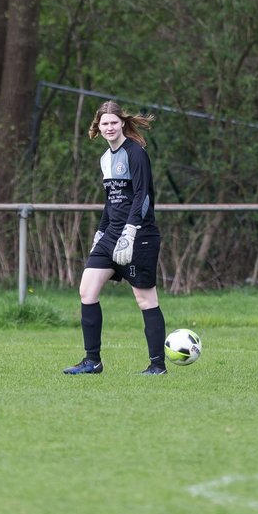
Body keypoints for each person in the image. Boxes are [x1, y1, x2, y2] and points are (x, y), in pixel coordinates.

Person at [64, 100, 168, 376]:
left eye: (113, 122)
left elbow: (142, 196)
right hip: (111, 235)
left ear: (122, 122)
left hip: (139, 234)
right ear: (97, 127)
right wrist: (102, 230)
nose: (109, 127)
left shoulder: (136, 153)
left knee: (145, 300)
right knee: (87, 291)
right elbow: (111, 201)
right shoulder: (105, 158)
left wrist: (131, 231)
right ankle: (92, 361)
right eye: (104, 123)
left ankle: (157, 366)